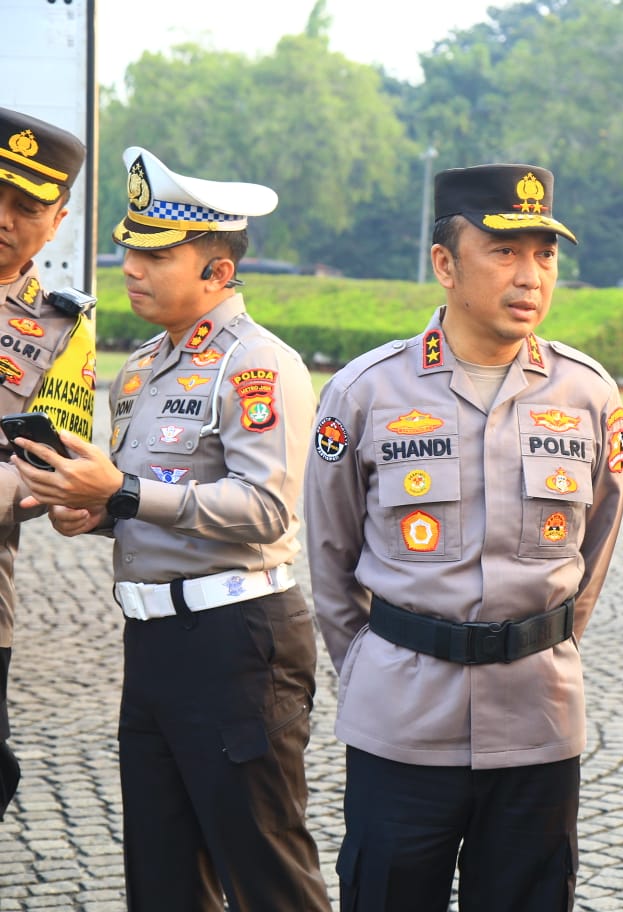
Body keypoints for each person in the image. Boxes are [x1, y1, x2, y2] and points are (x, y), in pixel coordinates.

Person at [304, 163, 623, 911]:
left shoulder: (588, 395)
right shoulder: (366, 392)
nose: (530, 276)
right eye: (504, 251)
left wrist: (541, 644)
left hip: (537, 720)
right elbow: (330, 558)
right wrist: (375, 669)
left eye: (545, 254)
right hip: (402, 719)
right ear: (445, 264)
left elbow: (595, 552)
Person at [12, 147, 329, 911]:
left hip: (237, 640)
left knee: (267, 874)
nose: (131, 267)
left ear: (218, 271)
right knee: (162, 878)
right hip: (152, 641)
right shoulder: (141, 367)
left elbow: (267, 510)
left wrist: (122, 492)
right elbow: (147, 499)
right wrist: (93, 510)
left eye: (155, 255)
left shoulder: (258, 365)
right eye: (130, 248)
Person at [0, 106, 97, 817]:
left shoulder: (62, 329)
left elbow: (52, 469)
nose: (3, 220)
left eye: (27, 207)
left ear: (57, 220)